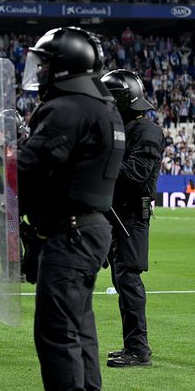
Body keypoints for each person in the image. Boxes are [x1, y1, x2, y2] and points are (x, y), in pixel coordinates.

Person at [19, 27, 126, 390]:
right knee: (79, 330)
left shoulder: (67, 108)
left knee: (57, 332)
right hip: (88, 228)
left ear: (63, 67)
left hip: (70, 233)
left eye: (45, 63)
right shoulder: (102, 106)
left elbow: (28, 166)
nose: (40, 71)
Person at [101, 69, 164, 367]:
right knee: (121, 278)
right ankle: (133, 345)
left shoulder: (148, 132)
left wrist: (100, 161)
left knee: (128, 279)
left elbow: (136, 176)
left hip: (131, 218)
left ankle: (139, 350)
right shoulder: (122, 128)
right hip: (116, 214)